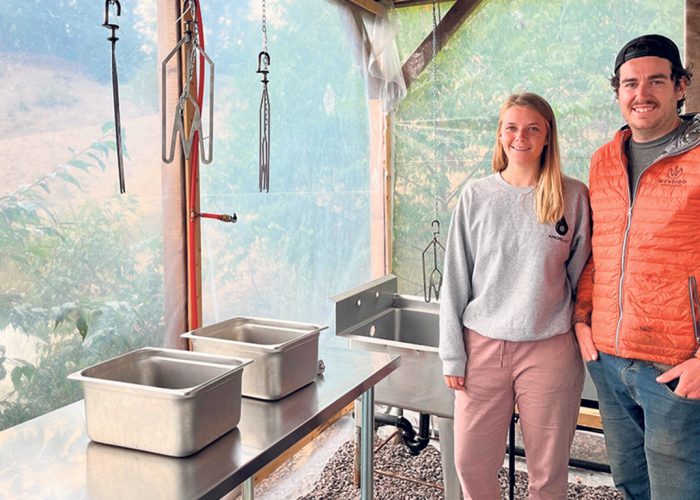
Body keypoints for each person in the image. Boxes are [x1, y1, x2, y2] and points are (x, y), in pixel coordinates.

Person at [439, 92, 591, 500]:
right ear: (500, 134)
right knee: (470, 464)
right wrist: (452, 353)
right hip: (483, 349)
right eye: (511, 127)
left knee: (547, 473)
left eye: (532, 128)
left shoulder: (573, 196)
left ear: (547, 137)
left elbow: (580, 277)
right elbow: (454, 280)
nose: (519, 136)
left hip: (550, 351)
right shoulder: (476, 196)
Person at [573, 34, 700, 500]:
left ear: (680, 86)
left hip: (676, 367)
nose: (640, 94)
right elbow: (595, 249)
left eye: (655, 81)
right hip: (608, 360)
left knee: (678, 491)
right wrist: (583, 320)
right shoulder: (603, 161)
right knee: (630, 485)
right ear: (618, 92)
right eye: (629, 84)